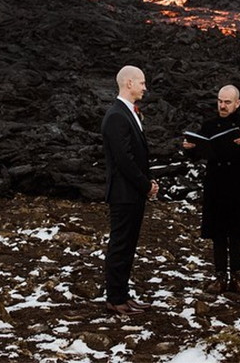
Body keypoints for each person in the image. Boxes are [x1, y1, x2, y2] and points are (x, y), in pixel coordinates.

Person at [182, 85, 240, 296]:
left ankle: (237, 278)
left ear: (237, 103)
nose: (222, 105)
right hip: (216, 184)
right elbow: (198, 153)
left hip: (238, 184)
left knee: (236, 233)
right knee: (218, 233)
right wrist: (189, 148)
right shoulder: (210, 125)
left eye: (227, 102)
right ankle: (220, 277)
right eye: (220, 101)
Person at [101, 65, 159, 316]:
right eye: (142, 83)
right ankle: (115, 297)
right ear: (128, 84)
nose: (145, 88)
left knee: (128, 244)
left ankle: (122, 294)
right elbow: (124, 160)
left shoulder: (128, 113)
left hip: (132, 193)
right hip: (124, 194)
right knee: (120, 244)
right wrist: (146, 185)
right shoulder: (116, 116)